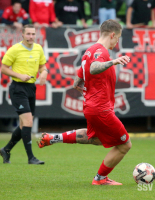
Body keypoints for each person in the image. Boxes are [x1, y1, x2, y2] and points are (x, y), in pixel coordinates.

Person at [38, 19, 132, 185]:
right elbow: (94, 67)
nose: (117, 42)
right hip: (101, 108)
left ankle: (53, 138)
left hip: (91, 106)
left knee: (95, 138)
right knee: (125, 144)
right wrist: (113, 62)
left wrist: (78, 82)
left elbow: (78, 77)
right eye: (117, 38)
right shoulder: (100, 52)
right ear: (112, 35)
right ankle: (100, 179)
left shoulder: (89, 51)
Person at [0, 24, 47, 165]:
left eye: (33, 34)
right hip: (18, 88)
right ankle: (31, 157)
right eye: (28, 34)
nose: (31, 36)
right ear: (22, 34)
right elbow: (3, 68)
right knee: (28, 122)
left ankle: (6, 149)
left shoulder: (38, 48)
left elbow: (43, 66)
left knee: (23, 125)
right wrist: (19, 75)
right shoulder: (15, 49)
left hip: (31, 88)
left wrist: (44, 72)